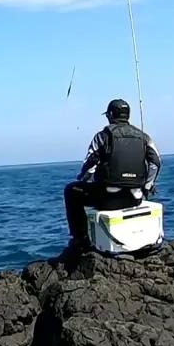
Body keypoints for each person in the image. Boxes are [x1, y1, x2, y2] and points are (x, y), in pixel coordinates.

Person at [64, 98, 161, 248]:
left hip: (108, 200)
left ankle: (80, 238)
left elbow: (89, 165)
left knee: (71, 190)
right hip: (135, 198)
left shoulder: (103, 136)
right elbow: (156, 163)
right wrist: (147, 187)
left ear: (110, 115)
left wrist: (84, 181)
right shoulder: (144, 137)